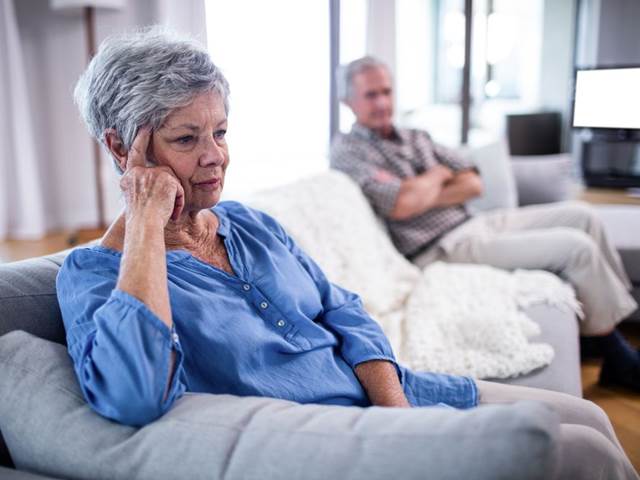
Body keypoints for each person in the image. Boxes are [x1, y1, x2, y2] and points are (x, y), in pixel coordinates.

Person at [56, 28, 638, 478]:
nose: (215, 157)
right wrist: (146, 221)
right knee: (584, 453)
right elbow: (133, 393)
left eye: (222, 132)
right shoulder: (93, 274)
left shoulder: (247, 223)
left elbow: (345, 310)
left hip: (390, 397)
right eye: (186, 139)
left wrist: (396, 410)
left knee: (589, 417)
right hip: (329, 438)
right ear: (121, 147)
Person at [330, 56, 640, 393]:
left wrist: (421, 189)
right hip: (441, 246)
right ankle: (616, 355)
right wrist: (438, 174)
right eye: (371, 95)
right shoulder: (349, 149)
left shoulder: (415, 135)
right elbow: (403, 204)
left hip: (476, 222)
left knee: (583, 216)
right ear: (348, 102)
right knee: (576, 249)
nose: (383, 102)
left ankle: (601, 328)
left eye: (386, 92)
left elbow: (474, 183)